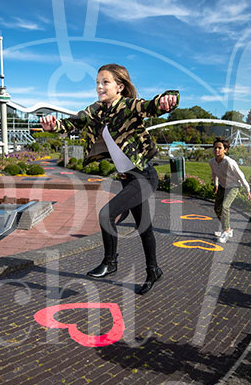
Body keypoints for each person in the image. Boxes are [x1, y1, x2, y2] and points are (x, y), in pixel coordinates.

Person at [41, 64, 179, 294]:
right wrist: (53, 125)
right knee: (144, 227)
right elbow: (72, 123)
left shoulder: (128, 106)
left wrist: (168, 99)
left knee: (106, 214)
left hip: (144, 176)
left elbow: (152, 106)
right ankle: (154, 270)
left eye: (105, 82)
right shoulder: (95, 110)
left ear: (120, 86)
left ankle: (110, 262)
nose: (99, 87)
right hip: (127, 179)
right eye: (97, 82)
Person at [209, 137, 251, 243]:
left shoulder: (229, 162)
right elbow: (214, 173)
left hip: (233, 186)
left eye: (219, 148)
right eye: (215, 148)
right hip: (223, 186)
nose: (217, 150)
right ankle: (226, 227)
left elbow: (241, 176)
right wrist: (216, 185)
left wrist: (248, 190)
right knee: (217, 208)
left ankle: (226, 231)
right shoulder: (212, 162)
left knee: (225, 206)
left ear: (225, 150)